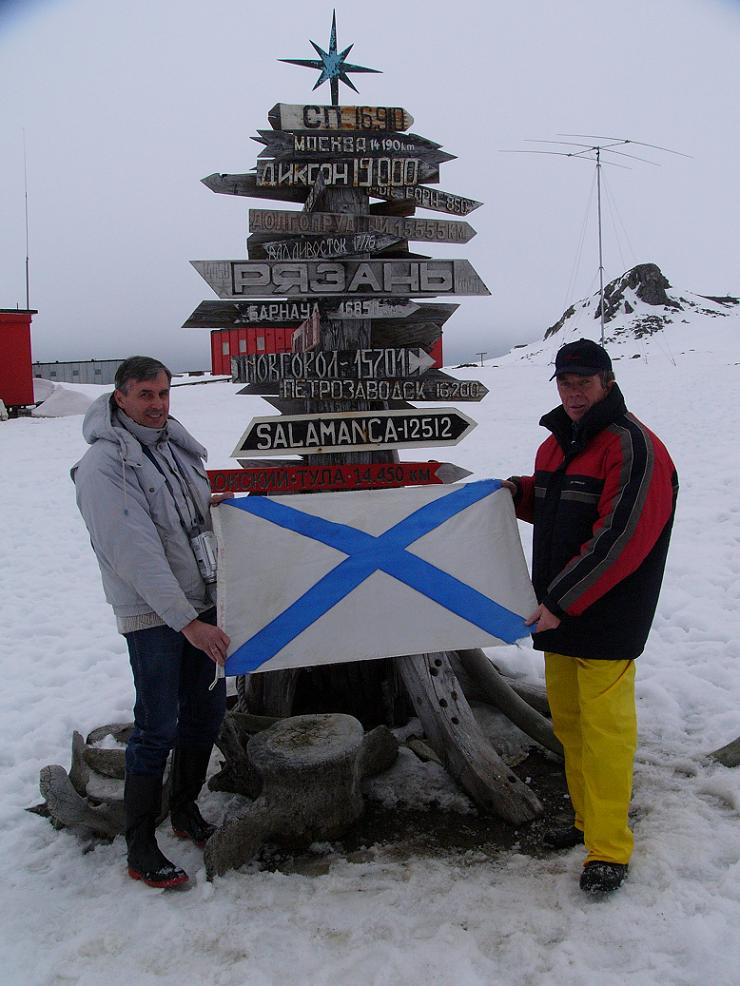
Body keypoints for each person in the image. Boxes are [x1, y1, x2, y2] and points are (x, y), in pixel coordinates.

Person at [504, 339, 678, 894]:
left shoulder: (634, 447)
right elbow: (560, 509)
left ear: (606, 382)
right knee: (571, 726)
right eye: (564, 381)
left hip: (604, 616)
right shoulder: (554, 446)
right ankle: (584, 821)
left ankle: (608, 847)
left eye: (584, 381)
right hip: (559, 614)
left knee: (605, 735)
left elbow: (621, 536)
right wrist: (517, 495)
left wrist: (559, 603)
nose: (573, 391)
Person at [72, 356, 231, 888]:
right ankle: (139, 845)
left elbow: (180, 518)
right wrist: (189, 622)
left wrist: (214, 509)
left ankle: (184, 812)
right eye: (145, 394)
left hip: (199, 602)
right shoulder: (105, 465)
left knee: (205, 714)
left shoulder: (172, 444)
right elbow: (135, 554)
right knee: (157, 724)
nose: (157, 404)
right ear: (120, 397)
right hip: (153, 614)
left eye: (163, 393)